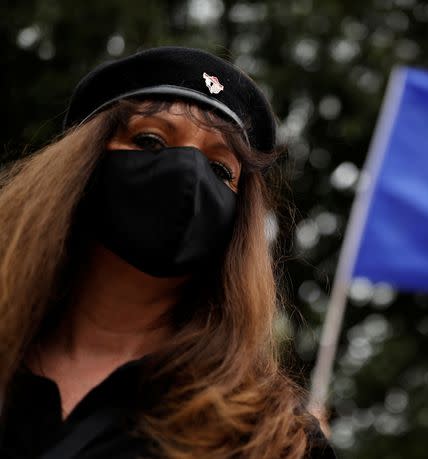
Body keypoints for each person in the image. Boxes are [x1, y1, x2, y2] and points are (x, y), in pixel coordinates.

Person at [0, 46, 335, 458]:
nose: (188, 175)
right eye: (150, 139)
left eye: (220, 170)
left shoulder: (271, 437)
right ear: (81, 165)